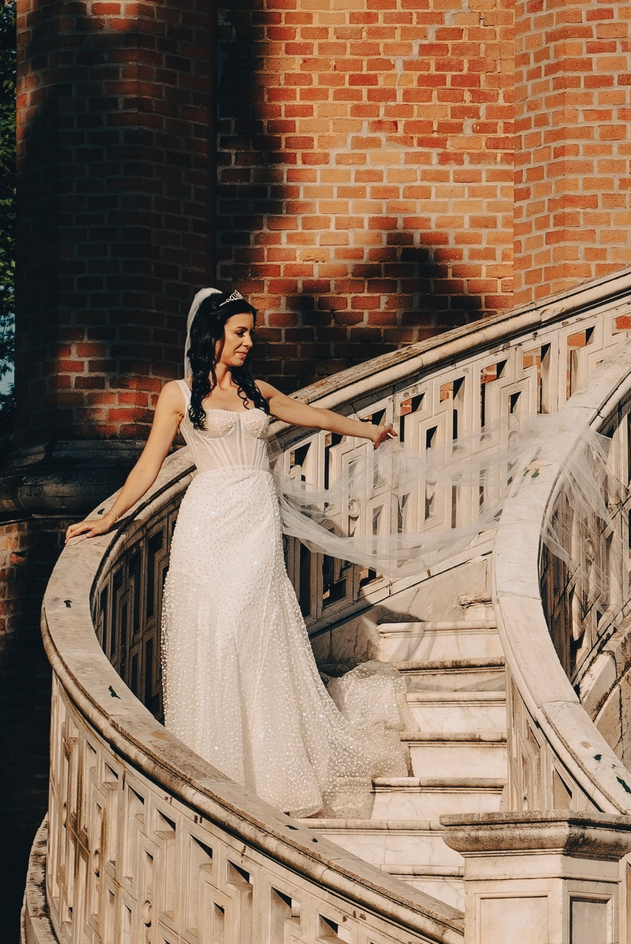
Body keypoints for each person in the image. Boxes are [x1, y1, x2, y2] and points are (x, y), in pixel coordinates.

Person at [66, 288, 395, 817]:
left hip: (256, 520)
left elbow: (315, 416)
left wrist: (369, 430)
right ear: (211, 335)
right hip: (208, 521)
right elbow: (148, 467)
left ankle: (273, 772)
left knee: (256, 627)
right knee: (214, 630)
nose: (248, 341)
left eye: (250, 332)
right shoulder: (178, 394)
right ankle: (218, 770)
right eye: (239, 332)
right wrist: (108, 517)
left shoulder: (257, 391)